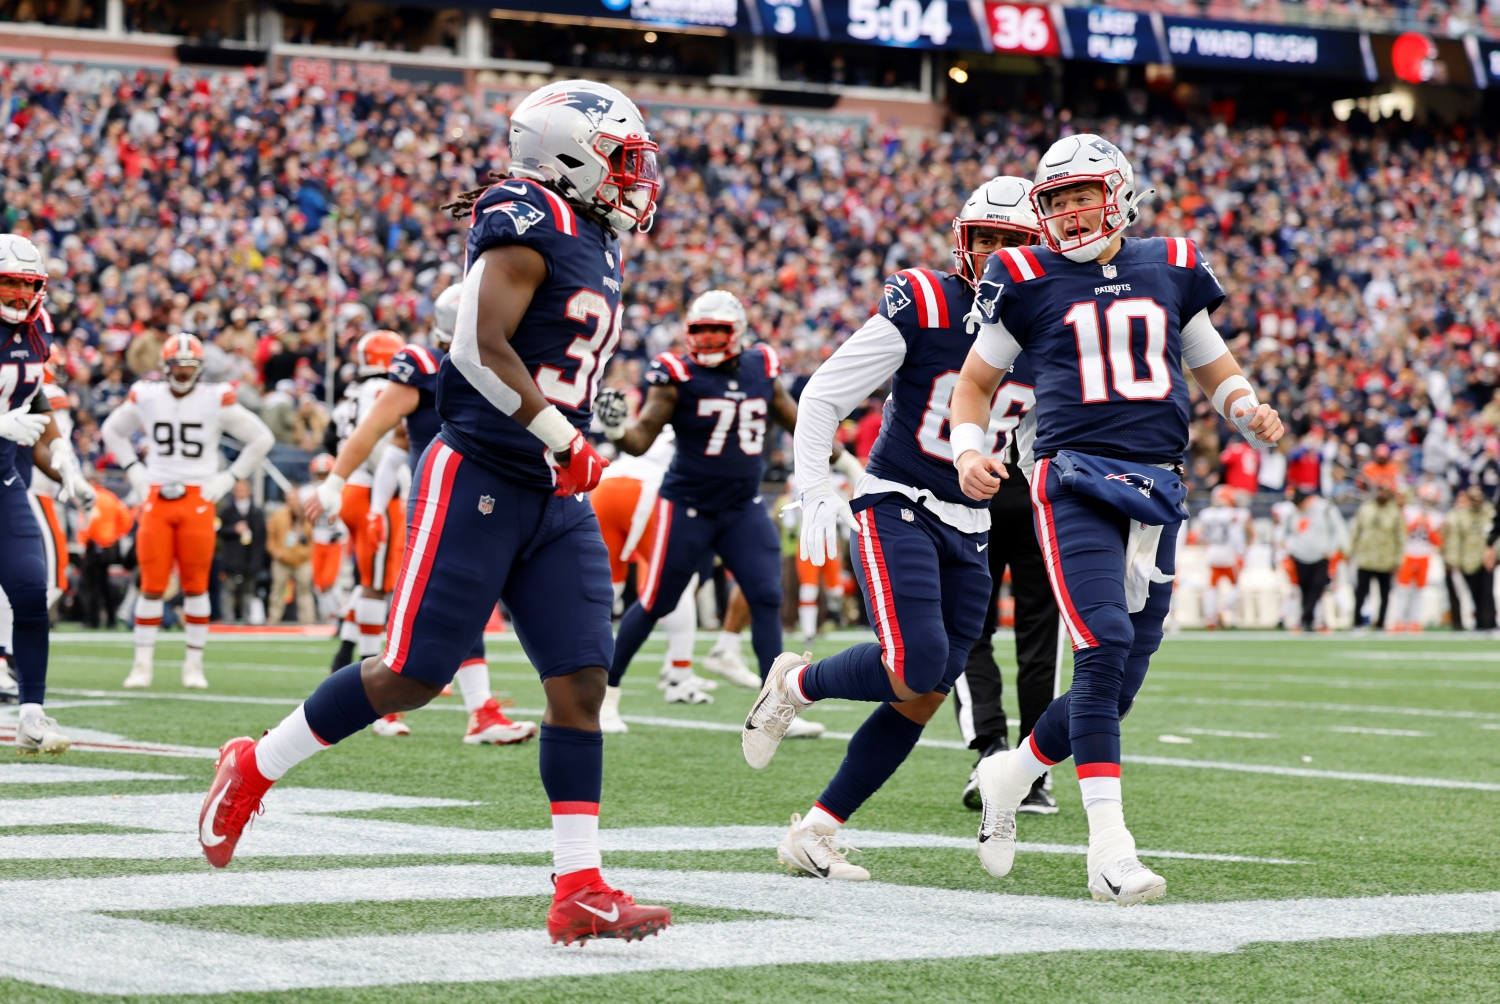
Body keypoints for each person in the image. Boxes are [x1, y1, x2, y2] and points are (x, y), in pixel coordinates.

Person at [197, 79, 673, 945]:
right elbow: (477, 348)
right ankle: (256, 766)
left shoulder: (594, 235)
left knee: (579, 683)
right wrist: (563, 436)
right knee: (414, 674)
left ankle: (580, 887)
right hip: (484, 472)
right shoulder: (528, 212)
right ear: (568, 153)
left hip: (552, 492)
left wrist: (571, 436)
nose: (633, 180)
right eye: (621, 161)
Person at [948, 136, 1283, 905]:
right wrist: (969, 451)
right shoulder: (1024, 274)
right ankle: (1110, 848)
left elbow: (1210, 361)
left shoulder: (1167, 262)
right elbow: (974, 384)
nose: (1068, 212)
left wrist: (1245, 408)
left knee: (1120, 680)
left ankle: (1012, 772)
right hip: (1072, 479)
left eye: (1080, 195)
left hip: (1157, 488)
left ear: (1121, 193)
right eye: (1056, 199)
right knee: (1102, 646)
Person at [740, 177, 1039, 880]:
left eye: (1012, 242)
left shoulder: (1053, 321)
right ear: (964, 243)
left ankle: (814, 830)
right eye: (985, 240)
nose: (995, 255)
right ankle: (796, 684)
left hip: (972, 524)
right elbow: (823, 394)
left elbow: (1034, 433)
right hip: (898, 499)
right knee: (911, 664)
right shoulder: (930, 301)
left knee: (926, 690)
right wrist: (814, 484)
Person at [306, 290, 534, 745]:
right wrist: (336, 481)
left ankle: (478, 713)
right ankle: (380, 706)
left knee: (467, 607)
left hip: (486, 503)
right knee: (415, 608)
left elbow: (392, 447)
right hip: (438, 505)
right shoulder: (425, 367)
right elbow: (375, 428)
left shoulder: (506, 362)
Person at [598, 288, 826, 739]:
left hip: (742, 508)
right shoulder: (675, 374)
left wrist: (837, 460)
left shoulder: (762, 366)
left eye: (716, 331)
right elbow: (640, 440)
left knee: (765, 596)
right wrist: (615, 428)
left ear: (737, 332)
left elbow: (793, 418)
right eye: (699, 331)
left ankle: (775, 712)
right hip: (688, 507)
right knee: (658, 600)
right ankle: (606, 694)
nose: (705, 340)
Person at [103, 333, 274, 689]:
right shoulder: (147, 396)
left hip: (198, 495)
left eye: (189, 367)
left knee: (196, 586)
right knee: (151, 585)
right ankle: (142, 665)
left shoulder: (215, 398)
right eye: (177, 367)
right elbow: (112, 431)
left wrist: (228, 479)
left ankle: (193, 666)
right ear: (164, 367)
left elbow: (262, 438)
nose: (182, 373)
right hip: (157, 496)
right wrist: (135, 472)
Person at [954, 347, 1059, 814]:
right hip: (1038, 488)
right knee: (1037, 635)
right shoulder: (1052, 318)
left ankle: (996, 752)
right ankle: (1027, 767)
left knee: (969, 627)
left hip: (981, 488)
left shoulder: (974, 328)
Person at [0, 233, 93, 753]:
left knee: (32, 593)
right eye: (8, 282)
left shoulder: (38, 329)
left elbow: (36, 402)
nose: (17, 294)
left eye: (27, 283)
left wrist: (65, 462)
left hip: (3, 478)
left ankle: (31, 714)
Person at [589, 425, 725, 728]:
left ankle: (585, 682)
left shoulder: (657, 417)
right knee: (679, 583)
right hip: (647, 491)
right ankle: (679, 675)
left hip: (605, 485)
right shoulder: (696, 415)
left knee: (605, 592)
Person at [321, 329, 408, 672]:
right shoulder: (383, 390)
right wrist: (398, 480)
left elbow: (331, 441)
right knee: (376, 584)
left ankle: (344, 650)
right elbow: (375, 445)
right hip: (373, 490)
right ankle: (368, 664)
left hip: (349, 490)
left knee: (366, 577)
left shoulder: (352, 393)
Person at [1284, 488, 1348, 632]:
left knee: (1317, 586)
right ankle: (1309, 620)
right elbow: (1285, 531)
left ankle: (1308, 617)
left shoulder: (1324, 509)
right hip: (1300, 554)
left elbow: (1337, 529)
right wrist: (1289, 547)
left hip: (1320, 555)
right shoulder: (1293, 512)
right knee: (1304, 587)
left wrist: (1331, 549)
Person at [1349, 483, 1404, 629]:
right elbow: (1356, 531)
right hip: (1365, 558)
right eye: (1380, 490)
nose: (1382, 494)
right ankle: (1357, 622)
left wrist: (1398, 560)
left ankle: (1381, 623)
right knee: (1360, 592)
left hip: (1385, 559)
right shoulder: (1366, 509)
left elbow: (1401, 538)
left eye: (1385, 491)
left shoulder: (1395, 512)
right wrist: (1351, 552)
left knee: (1384, 594)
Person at [1197, 485, 1252, 629]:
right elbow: (1246, 532)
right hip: (1229, 553)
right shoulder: (1236, 514)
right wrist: (1243, 549)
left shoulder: (1206, 513)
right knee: (1235, 585)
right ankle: (1222, 610)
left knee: (1212, 586)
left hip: (1213, 552)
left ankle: (1210, 618)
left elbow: (1202, 536)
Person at [1392, 483, 1444, 632]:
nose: (1427, 503)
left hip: (1424, 556)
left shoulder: (1437, 517)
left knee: (1419, 592)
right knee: (1402, 590)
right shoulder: (1409, 512)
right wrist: (1415, 524)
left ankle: (1414, 621)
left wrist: (1427, 527)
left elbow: (1438, 542)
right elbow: (1401, 533)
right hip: (1408, 554)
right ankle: (1399, 620)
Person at [1442, 487, 1494, 630]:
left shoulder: (1490, 513)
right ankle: (1477, 623)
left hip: (1486, 559)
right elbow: (1455, 540)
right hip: (1467, 560)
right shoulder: (1462, 516)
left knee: (1487, 593)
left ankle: (1489, 623)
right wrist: (1454, 560)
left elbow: (1496, 536)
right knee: (1473, 593)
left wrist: (1495, 555)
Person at [217, 479, 266, 623]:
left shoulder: (256, 512)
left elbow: (261, 538)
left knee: (248, 591)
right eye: (239, 489)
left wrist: (258, 560)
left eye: (244, 489)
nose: (241, 492)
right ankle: (228, 620)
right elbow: (217, 529)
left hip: (250, 559)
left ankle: (247, 619)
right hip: (232, 558)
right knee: (228, 590)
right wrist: (233, 529)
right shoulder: (226, 511)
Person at [306, 454, 347, 621]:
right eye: (319, 474)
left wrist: (341, 531)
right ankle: (332, 616)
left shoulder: (341, 492)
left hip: (335, 543)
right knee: (319, 584)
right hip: (318, 542)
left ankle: (342, 613)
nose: (321, 479)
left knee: (329, 582)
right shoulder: (308, 492)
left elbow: (346, 516)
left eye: (325, 475)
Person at [267, 489, 315, 623]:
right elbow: (271, 538)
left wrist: (306, 553)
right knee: (277, 591)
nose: (291, 501)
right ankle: (273, 620)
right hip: (282, 560)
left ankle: (308, 621)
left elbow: (311, 538)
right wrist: (275, 551)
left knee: (305, 592)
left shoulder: (305, 516)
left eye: (294, 498)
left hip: (301, 560)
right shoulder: (279, 515)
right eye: (289, 498)